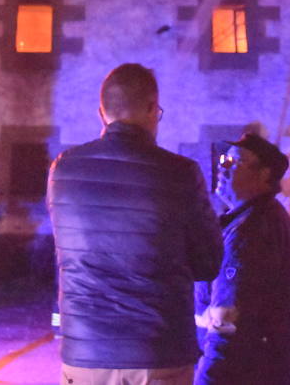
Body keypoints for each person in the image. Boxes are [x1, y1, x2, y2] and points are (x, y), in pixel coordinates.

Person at [48, 63, 223, 385]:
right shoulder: (180, 172)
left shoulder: (63, 169)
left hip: (86, 350)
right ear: (151, 108)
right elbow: (208, 263)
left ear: (102, 112)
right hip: (156, 350)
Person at [194, 131, 290, 385]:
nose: (223, 169)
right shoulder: (264, 219)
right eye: (223, 161)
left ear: (264, 174)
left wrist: (207, 379)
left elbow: (228, 323)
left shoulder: (248, 233)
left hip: (245, 373)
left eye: (234, 163)